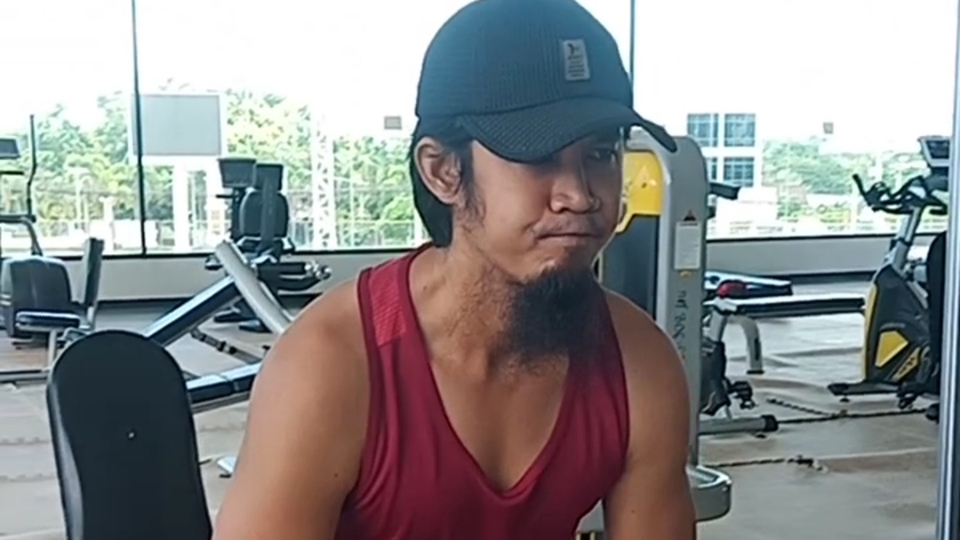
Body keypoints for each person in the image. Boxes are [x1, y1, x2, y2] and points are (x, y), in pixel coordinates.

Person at [213, 0, 695, 538]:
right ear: (443, 171)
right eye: (538, 156)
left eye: (601, 156)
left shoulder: (639, 364)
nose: (580, 196)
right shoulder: (328, 368)